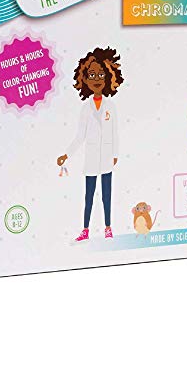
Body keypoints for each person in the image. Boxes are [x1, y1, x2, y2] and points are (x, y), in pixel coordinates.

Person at [57, 47, 124, 241]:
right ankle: (85, 230)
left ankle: (108, 228)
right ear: (85, 79)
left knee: (106, 195)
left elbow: (115, 132)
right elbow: (80, 136)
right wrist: (67, 154)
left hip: (107, 158)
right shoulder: (85, 109)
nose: (97, 79)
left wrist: (115, 154)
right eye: (92, 75)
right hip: (92, 159)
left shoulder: (111, 106)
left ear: (109, 77)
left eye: (101, 75)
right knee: (89, 196)